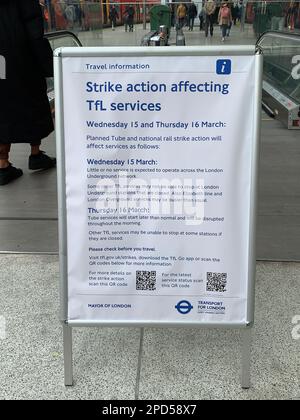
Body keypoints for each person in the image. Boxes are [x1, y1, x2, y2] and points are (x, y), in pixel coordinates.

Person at [0, 0, 55, 186]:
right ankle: (36, 154)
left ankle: (2, 163)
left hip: (1, 62)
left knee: (2, 106)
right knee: (33, 103)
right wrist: (48, 65)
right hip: (23, 60)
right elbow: (34, 32)